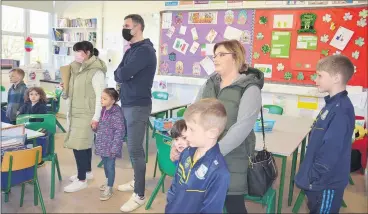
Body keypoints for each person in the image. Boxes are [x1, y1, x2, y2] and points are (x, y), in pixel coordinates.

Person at [170, 40, 264, 213]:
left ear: (236, 57)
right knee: (199, 200)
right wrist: (179, 142)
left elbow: (242, 129)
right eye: (215, 55)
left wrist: (212, 153)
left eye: (222, 54)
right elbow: (191, 116)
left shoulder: (249, 89)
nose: (215, 59)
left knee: (233, 204)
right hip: (202, 153)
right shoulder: (209, 83)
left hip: (233, 158)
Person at [295, 55, 355, 213]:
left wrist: (313, 176)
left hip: (326, 183)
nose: (316, 80)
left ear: (336, 78)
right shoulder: (332, 104)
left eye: (320, 75)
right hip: (318, 181)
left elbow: (331, 150)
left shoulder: (341, 109)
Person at [114, 14, 157, 212]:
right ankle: (135, 181)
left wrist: (122, 74)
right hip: (129, 103)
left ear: (137, 27)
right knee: (132, 148)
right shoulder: (132, 49)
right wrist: (122, 73)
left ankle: (139, 194)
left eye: (127, 25)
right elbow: (118, 72)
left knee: (135, 150)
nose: (124, 29)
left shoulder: (145, 51)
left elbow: (122, 74)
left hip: (138, 106)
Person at [165, 98, 230, 213]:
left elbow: (211, 210)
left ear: (212, 133)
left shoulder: (219, 172)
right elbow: (174, 186)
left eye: (191, 129)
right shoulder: (186, 152)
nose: (186, 133)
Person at [62, 41, 107, 193]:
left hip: (87, 114)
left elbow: (101, 96)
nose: (76, 55)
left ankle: (81, 180)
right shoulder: (76, 69)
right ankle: (87, 173)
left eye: (79, 52)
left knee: (79, 145)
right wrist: (65, 88)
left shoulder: (96, 71)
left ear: (88, 53)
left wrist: (96, 117)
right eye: (75, 52)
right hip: (75, 112)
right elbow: (74, 91)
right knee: (84, 144)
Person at [95, 88, 125, 201]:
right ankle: (108, 181)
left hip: (111, 146)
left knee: (110, 166)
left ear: (112, 100)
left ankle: (110, 187)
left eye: (104, 98)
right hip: (102, 143)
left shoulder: (117, 113)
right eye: (101, 98)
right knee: (105, 165)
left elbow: (119, 131)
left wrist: (115, 147)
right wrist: (95, 127)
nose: (101, 100)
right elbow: (102, 126)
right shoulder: (104, 110)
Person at [18, 87, 48, 167]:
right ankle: (26, 156)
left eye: (36, 94)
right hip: (28, 129)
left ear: (40, 96)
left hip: (39, 129)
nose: (33, 96)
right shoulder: (26, 105)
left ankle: (40, 159)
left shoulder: (42, 106)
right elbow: (20, 115)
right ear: (28, 96)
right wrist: (19, 113)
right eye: (31, 94)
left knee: (40, 139)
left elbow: (42, 120)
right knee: (21, 137)